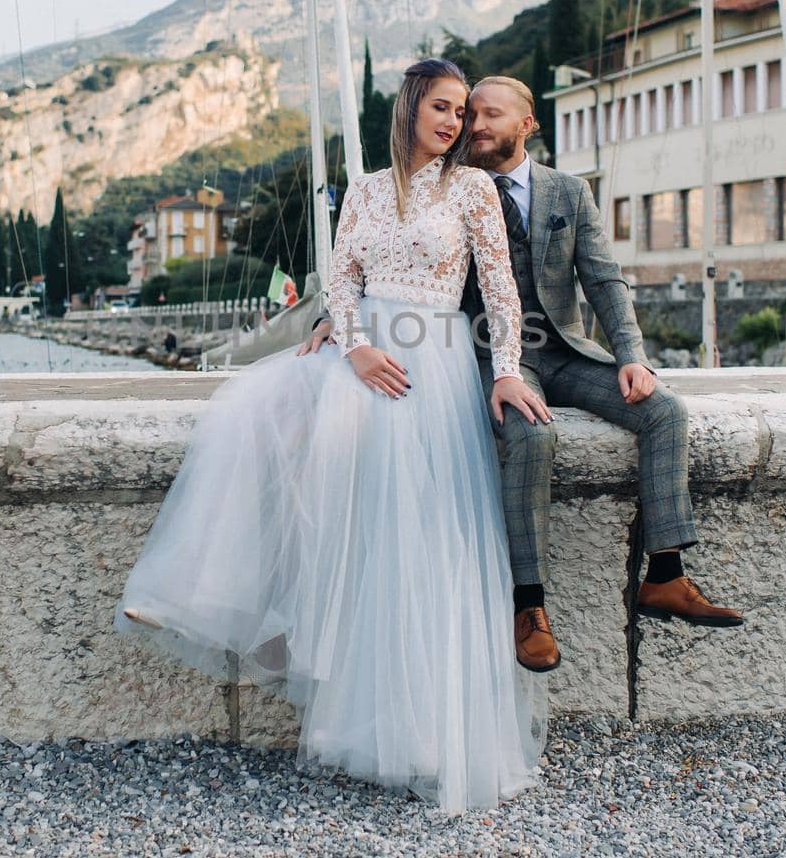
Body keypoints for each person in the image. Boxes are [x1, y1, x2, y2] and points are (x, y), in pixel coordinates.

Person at [115, 59, 548, 812]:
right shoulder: (367, 190)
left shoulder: (473, 190)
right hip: (365, 356)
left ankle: (431, 735)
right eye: (442, 108)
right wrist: (351, 343)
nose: (455, 123)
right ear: (410, 106)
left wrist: (506, 369)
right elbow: (340, 277)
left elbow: (502, 290)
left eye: (461, 111)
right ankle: (222, 601)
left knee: (423, 545)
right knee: (258, 423)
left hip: (433, 365)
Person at [303, 76, 742, 676]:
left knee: (665, 410)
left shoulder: (568, 191)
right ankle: (529, 607)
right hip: (489, 355)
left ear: (527, 124)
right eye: (465, 113)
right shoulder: (450, 188)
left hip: (561, 348)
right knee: (533, 436)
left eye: (486, 115)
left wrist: (631, 356)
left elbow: (604, 279)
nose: (472, 125)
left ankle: (665, 573)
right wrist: (338, 322)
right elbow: (387, 261)